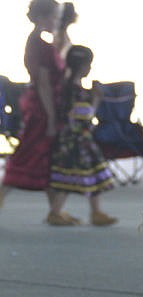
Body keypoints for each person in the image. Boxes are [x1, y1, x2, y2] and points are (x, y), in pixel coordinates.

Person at [0, 0, 68, 221]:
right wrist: (50, 117)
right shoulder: (40, 45)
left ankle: (54, 211)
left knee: (46, 158)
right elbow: (44, 83)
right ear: (43, 17)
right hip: (42, 110)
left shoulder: (37, 42)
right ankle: (54, 211)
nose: (57, 22)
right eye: (54, 17)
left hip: (40, 106)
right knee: (27, 156)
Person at [47, 45, 117, 226]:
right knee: (73, 175)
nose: (90, 68)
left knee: (84, 174)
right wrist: (95, 99)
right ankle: (57, 212)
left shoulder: (66, 86)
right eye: (89, 65)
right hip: (77, 140)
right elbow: (83, 116)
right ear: (83, 66)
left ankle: (95, 211)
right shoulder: (75, 90)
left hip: (72, 139)